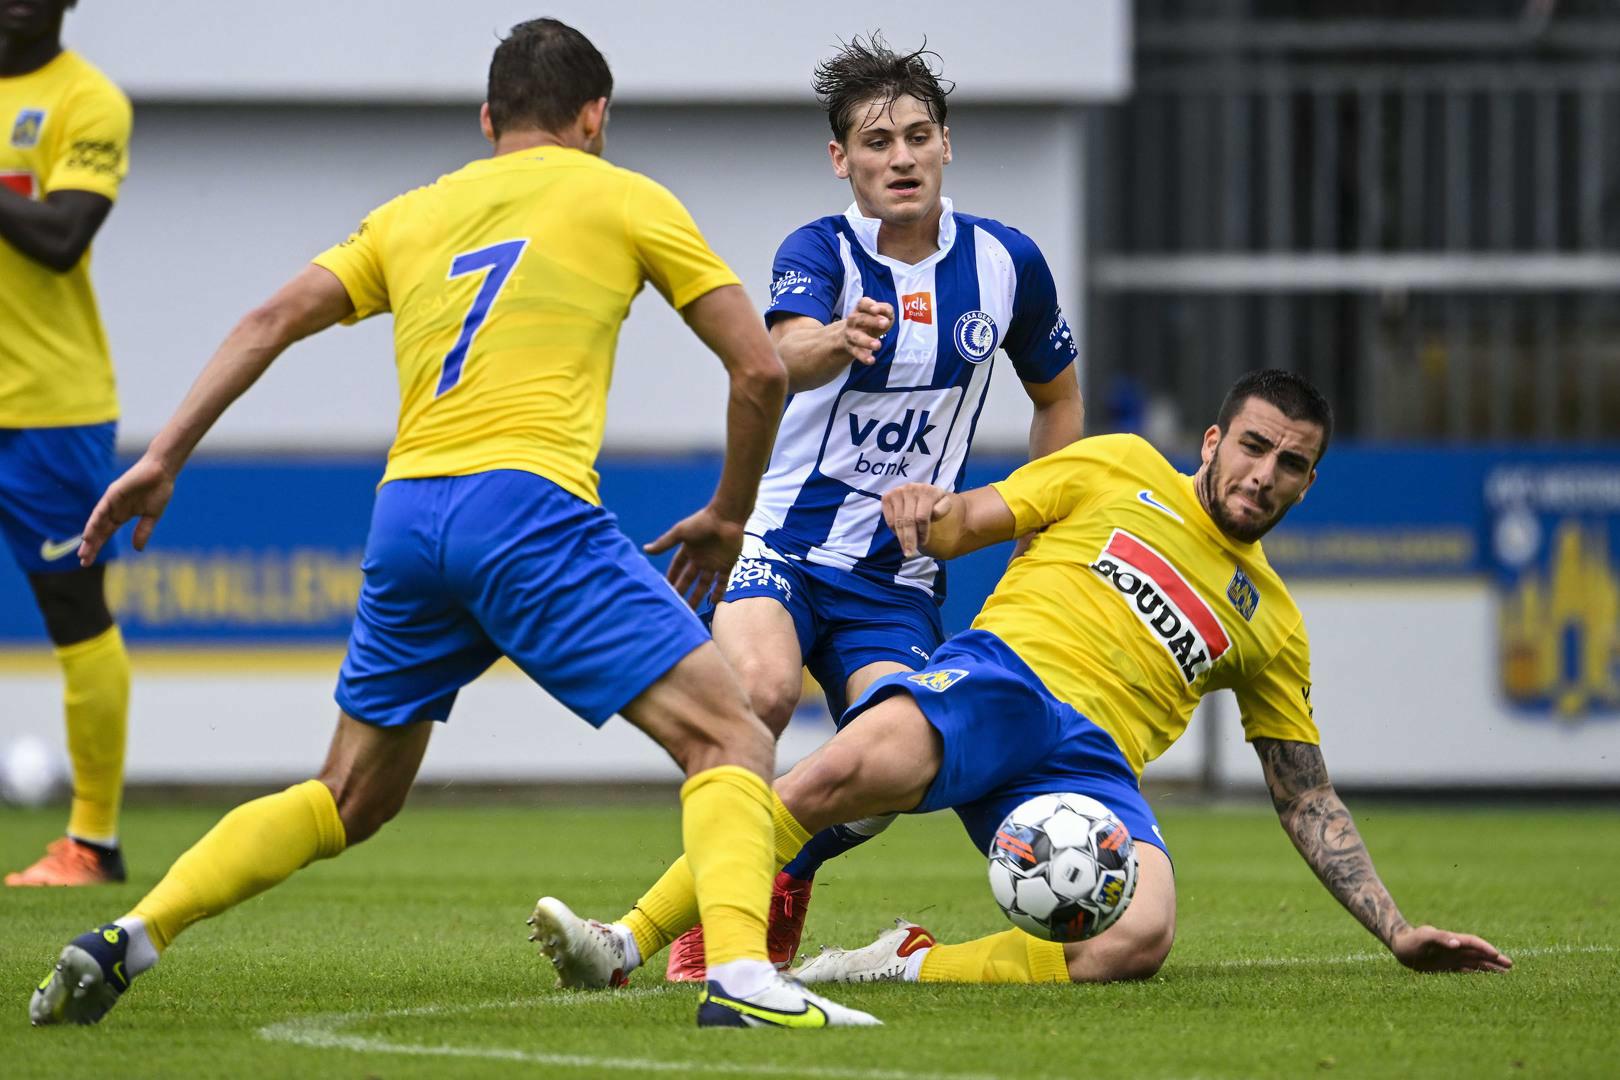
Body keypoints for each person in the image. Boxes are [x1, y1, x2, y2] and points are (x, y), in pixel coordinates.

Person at [30, 19, 876, 1030]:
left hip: (408, 518)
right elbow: (760, 368)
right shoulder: (625, 194)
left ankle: (129, 934)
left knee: (349, 796)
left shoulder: (411, 215)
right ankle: (742, 981)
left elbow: (267, 320)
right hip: (527, 508)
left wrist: (162, 456)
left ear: (489, 120)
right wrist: (730, 513)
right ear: (596, 116)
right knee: (732, 734)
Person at [535, 370, 1512, 988]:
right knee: (822, 783)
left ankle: (902, 965)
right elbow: (972, 521)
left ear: (1308, 483)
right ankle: (623, 943)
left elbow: (1306, 797)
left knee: (1139, 939)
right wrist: (928, 509)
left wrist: (1397, 930)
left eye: (1292, 464)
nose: (1266, 474)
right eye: (1254, 447)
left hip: (1088, 772)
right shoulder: (1117, 467)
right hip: (1002, 684)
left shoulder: (1275, 625)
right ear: (1213, 443)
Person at [657, 33, 1084, 981]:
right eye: (876, 141)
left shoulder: (1008, 264)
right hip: (783, 545)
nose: (900, 157)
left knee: (885, 776)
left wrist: (1014, 520)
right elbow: (779, 357)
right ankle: (707, 935)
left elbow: (1059, 402)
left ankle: (783, 875)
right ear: (840, 157)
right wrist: (837, 339)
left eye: (917, 136)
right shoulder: (819, 251)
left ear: (945, 144)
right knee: (759, 695)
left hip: (898, 579)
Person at [1, 0, 134, 887]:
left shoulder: (88, 99)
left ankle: (93, 842)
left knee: (73, 613)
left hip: (50, 406)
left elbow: (60, 235)